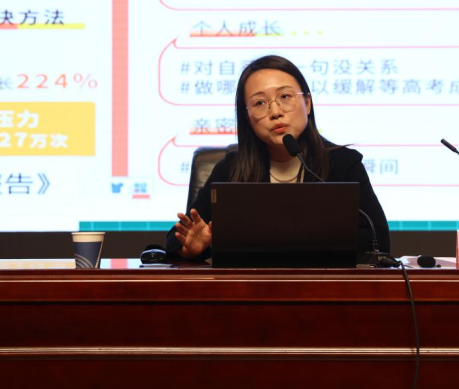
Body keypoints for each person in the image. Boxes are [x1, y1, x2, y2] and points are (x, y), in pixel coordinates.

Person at [165, 55, 390, 260]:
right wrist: (191, 249)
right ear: (247, 117)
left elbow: (378, 241)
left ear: (307, 103)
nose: (275, 112)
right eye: (259, 103)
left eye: (285, 97)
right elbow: (178, 239)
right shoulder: (231, 169)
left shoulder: (343, 165)